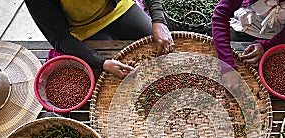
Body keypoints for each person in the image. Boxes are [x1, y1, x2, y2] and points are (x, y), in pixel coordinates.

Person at [25, 0, 174, 79]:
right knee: (118, 77)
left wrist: (158, 20)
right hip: (81, 28)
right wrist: (101, 63)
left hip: (117, 8)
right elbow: (59, 37)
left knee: (161, 48)